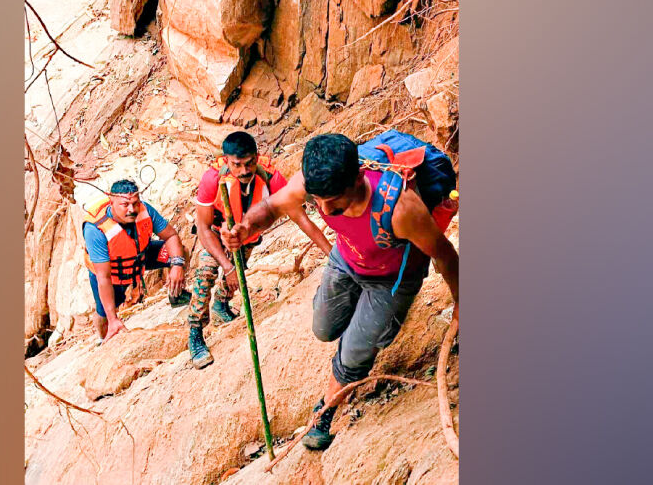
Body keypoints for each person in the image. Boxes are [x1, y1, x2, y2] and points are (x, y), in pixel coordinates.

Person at [221, 133, 458, 450]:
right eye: (319, 200)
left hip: (391, 278)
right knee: (324, 328)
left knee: (354, 352)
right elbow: (272, 206)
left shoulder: (400, 208)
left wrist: (460, 302)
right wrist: (246, 227)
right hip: (347, 259)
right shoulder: (318, 179)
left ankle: (325, 412)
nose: (325, 209)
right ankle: (365, 326)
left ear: (359, 177)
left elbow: (444, 255)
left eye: (335, 200)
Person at [187, 131, 330, 369]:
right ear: (226, 160)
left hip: (246, 237)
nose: (244, 171)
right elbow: (202, 227)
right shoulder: (213, 179)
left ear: (257, 156)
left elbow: (301, 219)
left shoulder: (270, 177)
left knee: (238, 275)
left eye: (250, 162)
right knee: (206, 274)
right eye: (237, 165)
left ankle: (222, 304)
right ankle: (195, 332)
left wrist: (331, 253)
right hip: (215, 234)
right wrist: (226, 264)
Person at [82, 179, 189, 346]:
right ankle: (105, 339)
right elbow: (103, 277)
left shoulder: (145, 210)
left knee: (179, 252)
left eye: (135, 203)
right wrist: (113, 318)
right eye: (125, 205)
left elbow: (171, 236)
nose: (131, 209)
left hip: (141, 257)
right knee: (103, 313)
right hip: (112, 273)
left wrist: (177, 265)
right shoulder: (95, 228)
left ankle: (177, 295)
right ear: (111, 201)